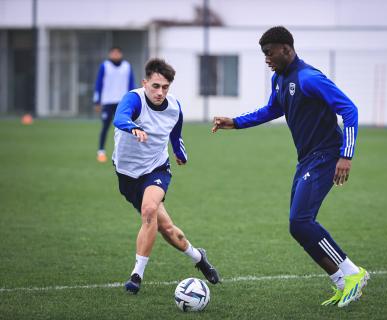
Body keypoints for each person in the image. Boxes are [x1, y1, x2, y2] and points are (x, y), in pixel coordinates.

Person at [212, 26, 368, 308]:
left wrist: (346, 155)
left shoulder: (309, 78)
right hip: (307, 159)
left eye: (269, 53)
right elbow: (272, 109)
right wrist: (234, 122)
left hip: (326, 155)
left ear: (286, 49)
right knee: (297, 226)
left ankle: (353, 273)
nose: (266, 59)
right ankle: (342, 282)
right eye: (263, 54)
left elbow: (350, 109)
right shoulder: (279, 80)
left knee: (300, 221)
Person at [112, 58, 220, 294]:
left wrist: (180, 153)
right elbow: (119, 118)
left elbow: (175, 134)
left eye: (165, 87)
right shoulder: (134, 99)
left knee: (149, 210)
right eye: (155, 86)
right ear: (145, 83)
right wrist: (134, 128)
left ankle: (136, 276)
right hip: (127, 175)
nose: (160, 92)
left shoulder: (174, 107)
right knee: (168, 230)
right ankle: (199, 257)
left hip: (157, 168)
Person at [94, 47, 135, 163]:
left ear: (121, 54)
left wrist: (133, 100)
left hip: (122, 102)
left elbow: (131, 83)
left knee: (125, 129)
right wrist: (97, 101)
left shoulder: (127, 66)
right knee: (105, 127)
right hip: (107, 101)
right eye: (113, 53)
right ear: (110, 54)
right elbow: (99, 83)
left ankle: (125, 153)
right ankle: (101, 152)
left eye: (117, 53)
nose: (115, 55)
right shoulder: (105, 66)